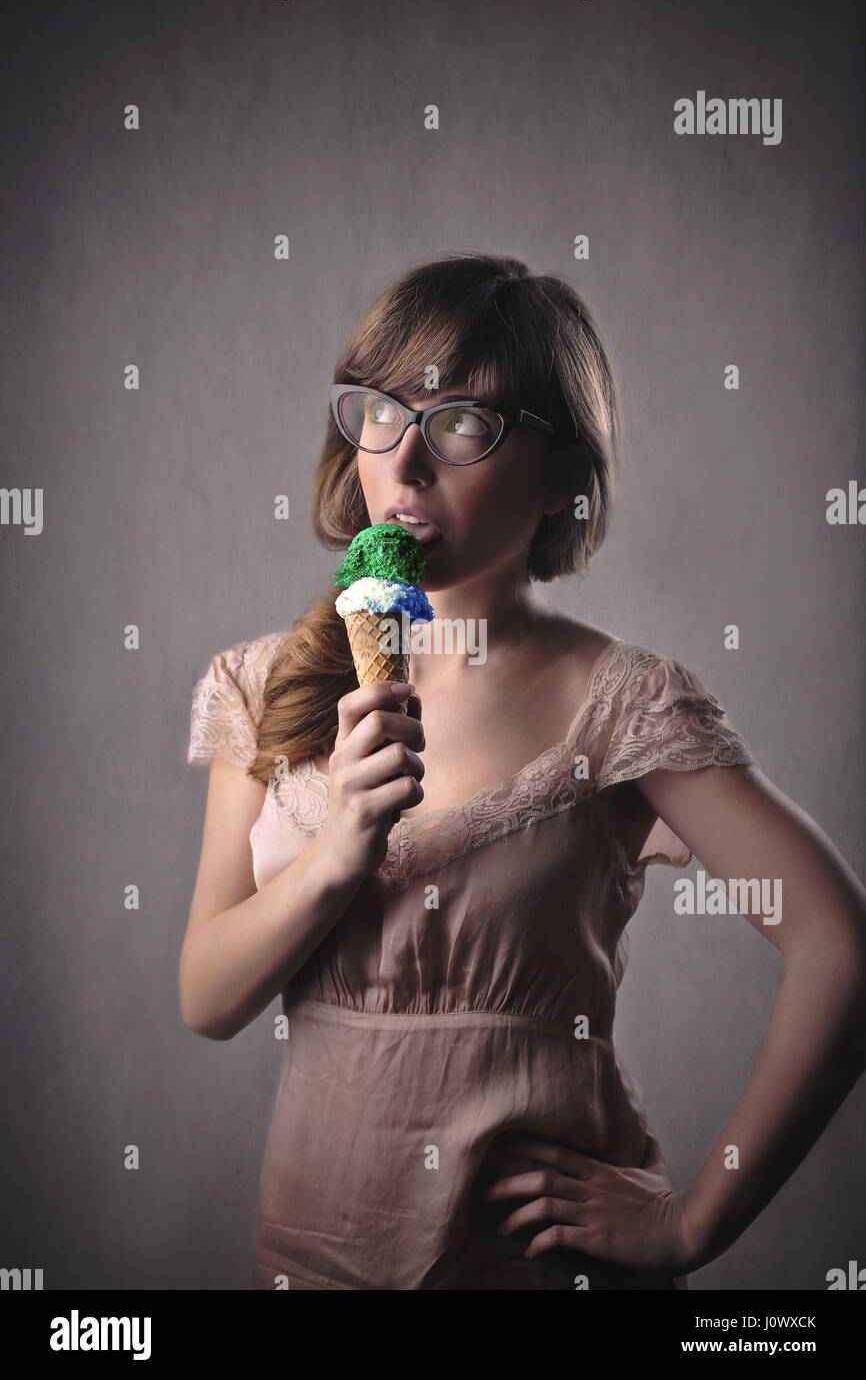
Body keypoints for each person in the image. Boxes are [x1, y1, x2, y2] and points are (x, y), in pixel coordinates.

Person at [181, 252, 866, 1291]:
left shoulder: (622, 704)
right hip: (307, 1259)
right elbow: (207, 997)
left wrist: (693, 1223)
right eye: (381, 411)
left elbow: (838, 942)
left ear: (559, 477)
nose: (405, 463)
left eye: (462, 422)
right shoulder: (263, 683)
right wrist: (334, 858)